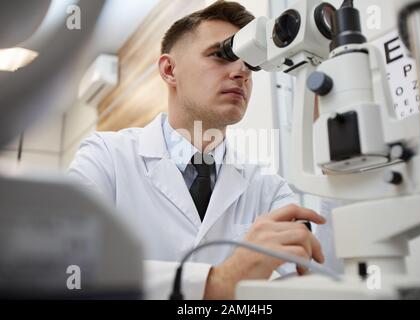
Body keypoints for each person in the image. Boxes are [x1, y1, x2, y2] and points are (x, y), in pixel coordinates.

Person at [68, 0, 326, 299]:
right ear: (169, 70)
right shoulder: (106, 157)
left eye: (250, 63)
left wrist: (333, 147)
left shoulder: (267, 188)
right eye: (221, 54)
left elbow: (317, 276)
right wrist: (215, 281)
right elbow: (69, 268)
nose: (242, 71)